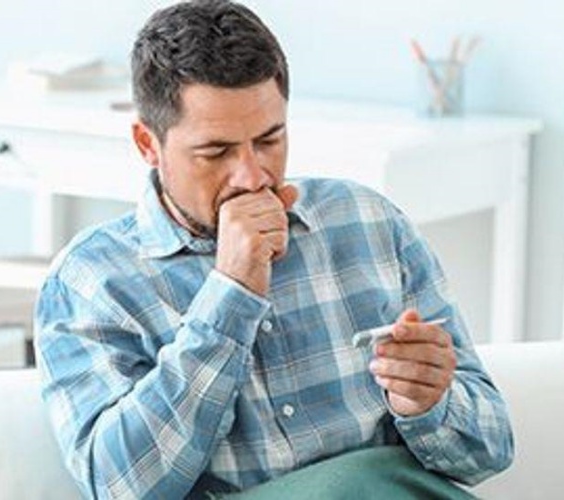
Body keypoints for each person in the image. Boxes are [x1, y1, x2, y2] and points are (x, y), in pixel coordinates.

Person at [34, 1, 513, 498]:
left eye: (269, 140)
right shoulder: (92, 280)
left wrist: (429, 404)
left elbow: (490, 450)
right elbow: (121, 487)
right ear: (147, 145)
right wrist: (231, 295)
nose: (252, 176)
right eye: (215, 152)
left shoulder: (369, 222)